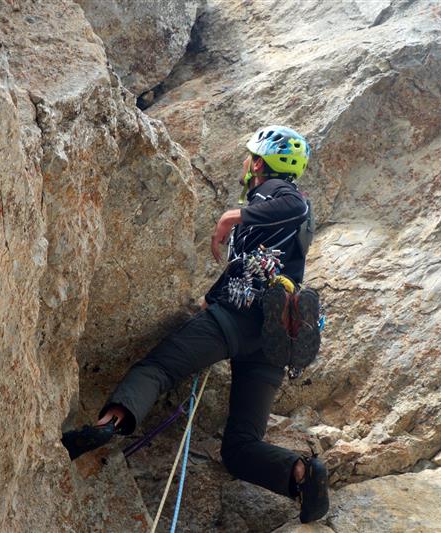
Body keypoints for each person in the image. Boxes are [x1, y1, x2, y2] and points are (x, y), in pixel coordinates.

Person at [63, 126, 329, 523]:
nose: (246, 163)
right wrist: (210, 295)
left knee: (157, 369)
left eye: (250, 157)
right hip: (272, 343)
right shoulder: (274, 213)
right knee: (240, 448)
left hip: (233, 323)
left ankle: (108, 425)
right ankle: (301, 474)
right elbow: (247, 267)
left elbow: (295, 205)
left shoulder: (277, 194)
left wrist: (232, 215)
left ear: (259, 163)